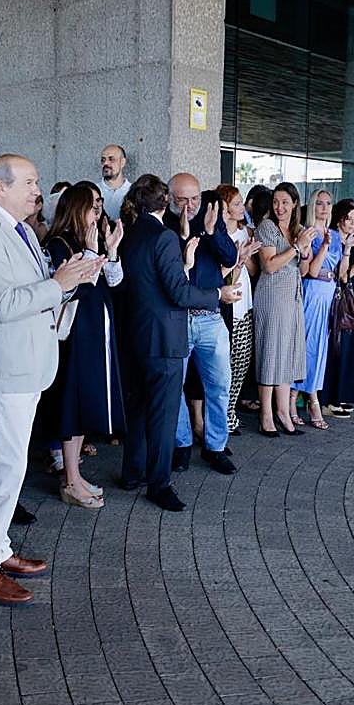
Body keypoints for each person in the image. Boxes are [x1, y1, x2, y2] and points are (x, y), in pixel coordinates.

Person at [0, 154, 104, 605]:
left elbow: (41, 289)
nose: (37, 191)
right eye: (30, 182)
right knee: (3, 469)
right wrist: (59, 283)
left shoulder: (17, 229)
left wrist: (72, 280)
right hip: (2, 370)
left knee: (10, 466)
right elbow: (1, 303)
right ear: (0, 187)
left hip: (23, 366)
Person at [117, 175, 238, 511]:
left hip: (137, 334)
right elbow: (179, 292)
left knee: (140, 408)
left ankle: (132, 473)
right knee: (164, 414)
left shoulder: (131, 232)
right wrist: (218, 293)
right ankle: (159, 484)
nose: (188, 205)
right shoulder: (164, 236)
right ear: (165, 199)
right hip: (166, 336)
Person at [41, 184, 126, 508]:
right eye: (93, 206)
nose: (98, 212)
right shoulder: (59, 244)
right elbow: (71, 287)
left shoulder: (89, 240)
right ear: (77, 208)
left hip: (96, 332)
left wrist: (111, 250)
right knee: (71, 404)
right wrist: (92, 254)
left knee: (84, 403)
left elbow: (114, 282)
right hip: (75, 336)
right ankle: (70, 479)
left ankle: (75, 476)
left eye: (100, 205)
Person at [169, 174, 239, 473]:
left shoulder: (210, 215)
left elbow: (231, 256)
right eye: (182, 200)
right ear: (170, 198)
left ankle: (215, 446)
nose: (189, 205)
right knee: (176, 387)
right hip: (178, 318)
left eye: (194, 198)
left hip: (211, 318)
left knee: (219, 386)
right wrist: (184, 235)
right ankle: (181, 444)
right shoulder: (165, 222)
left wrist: (211, 232)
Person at [253, 182, 315, 436]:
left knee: (287, 354)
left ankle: (283, 411)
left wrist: (307, 252)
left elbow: (302, 270)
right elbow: (269, 265)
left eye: (285, 202)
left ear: (294, 204)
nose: (279, 207)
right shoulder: (267, 227)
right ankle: (266, 414)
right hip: (271, 296)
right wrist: (297, 248)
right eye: (276, 202)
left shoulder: (297, 230)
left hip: (292, 297)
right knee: (270, 354)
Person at [320, 201, 354, 417]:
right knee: (335, 349)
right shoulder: (333, 239)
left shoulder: (351, 240)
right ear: (339, 218)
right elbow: (344, 275)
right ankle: (329, 400)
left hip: (348, 297)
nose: (352, 223)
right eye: (348, 218)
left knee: (349, 348)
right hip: (333, 298)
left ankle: (341, 396)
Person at [293, 189, 338, 429]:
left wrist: (352, 250)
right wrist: (323, 247)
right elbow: (310, 270)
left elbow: (342, 272)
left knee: (321, 348)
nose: (324, 207)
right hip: (311, 291)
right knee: (306, 345)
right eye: (319, 203)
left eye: (328, 203)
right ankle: (304, 398)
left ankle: (311, 395)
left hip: (329, 293)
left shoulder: (336, 235)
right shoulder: (305, 232)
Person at [220, 185, 258, 433]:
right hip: (227, 306)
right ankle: (223, 415)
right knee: (226, 364)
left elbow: (253, 272)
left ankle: (231, 411)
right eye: (236, 204)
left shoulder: (246, 233)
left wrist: (249, 256)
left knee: (242, 361)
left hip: (246, 304)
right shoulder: (218, 237)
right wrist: (237, 257)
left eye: (242, 202)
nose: (242, 208)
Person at [97, 143, 132, 219]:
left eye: (111, 159)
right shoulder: (93, 191)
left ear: (122, 162)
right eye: (103, 160)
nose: (105, 163)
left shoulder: (133, 191)